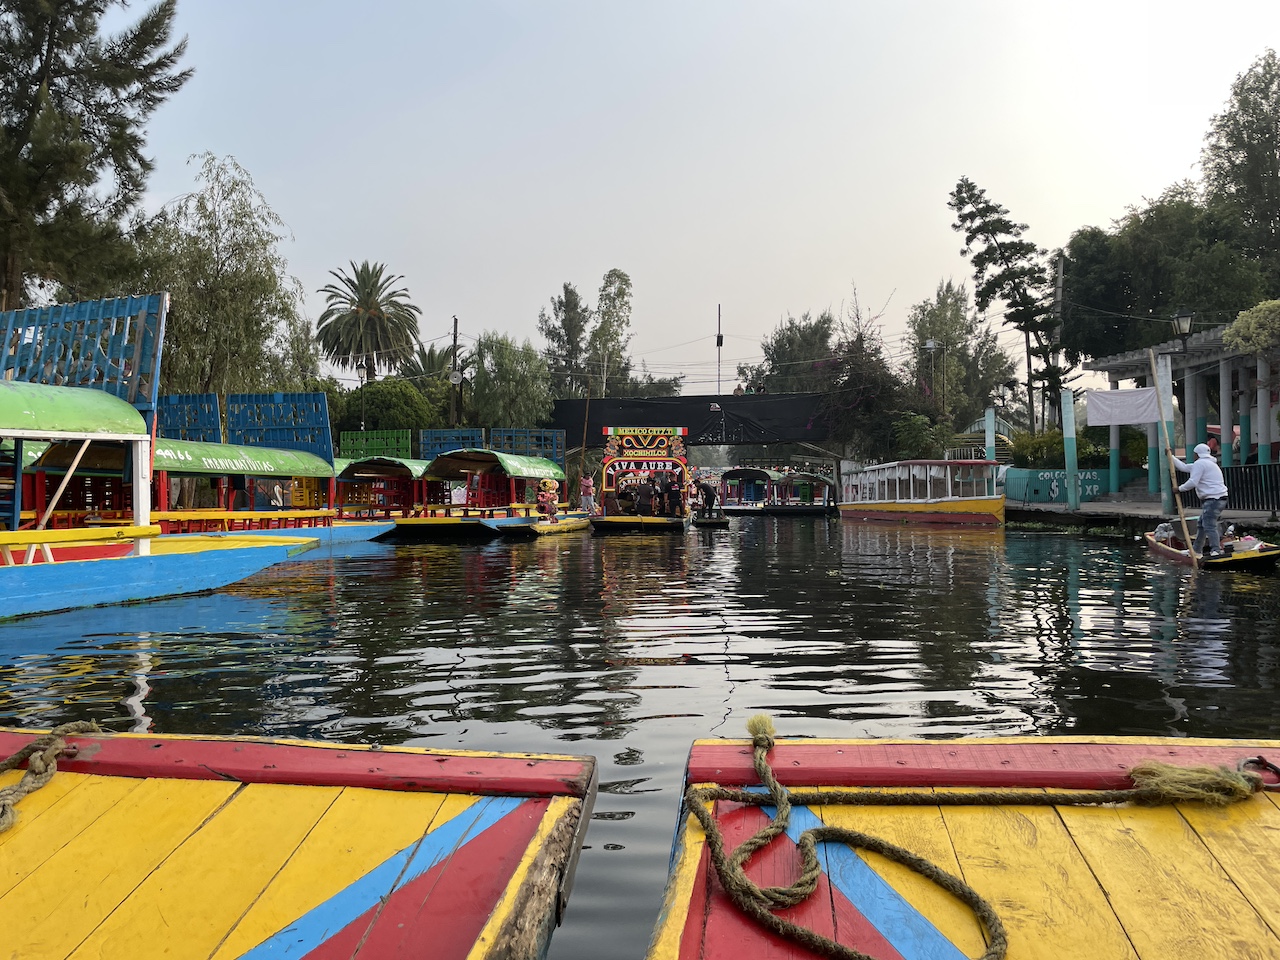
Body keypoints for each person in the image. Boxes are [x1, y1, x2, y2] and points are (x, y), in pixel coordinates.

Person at [1173, 442, 1228, 557]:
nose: (1193, 456)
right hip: (1217, 498)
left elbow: (1193, 482)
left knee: (1209, 525)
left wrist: (1179, 489)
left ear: (1197, 454)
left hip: (1214, 499)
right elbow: (1183, 467)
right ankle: (1196, 550)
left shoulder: (1201, 464)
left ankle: (1216, 550)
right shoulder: (1207, 463)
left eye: (1194, 454)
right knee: (1202, 524)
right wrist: (1171, 456)